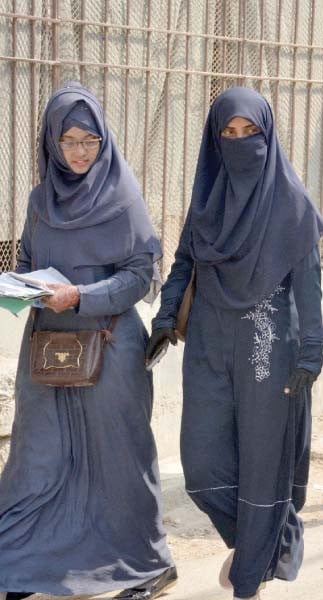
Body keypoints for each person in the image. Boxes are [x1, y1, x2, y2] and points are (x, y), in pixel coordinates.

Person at [146, 87, 323, 600]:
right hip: (207, 339)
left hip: (270, 347)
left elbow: (309, 284)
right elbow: (185, 261)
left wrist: (311, 353)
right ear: (214, 139)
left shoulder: (291, 202)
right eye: (230, 133)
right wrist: (163, 319)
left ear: (268, 135)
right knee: (201, 468)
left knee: (263, 465)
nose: (241, 142)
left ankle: (250, 577)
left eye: (252, 133)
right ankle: (271, 539)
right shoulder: (208, 199)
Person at [0, 83, 176, 600]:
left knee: (118, 459)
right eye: (69, 140)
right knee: (39, 456)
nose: (79, 152)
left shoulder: (123, 199)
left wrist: (80, 295)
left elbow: (141, 274)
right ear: (52, 143)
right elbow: (28, 262)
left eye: (90, 141)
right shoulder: (39, 201)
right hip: (49, 349)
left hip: (110, 345)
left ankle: (146, 567)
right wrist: (24, 287)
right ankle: (24, 564)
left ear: (105, 141)